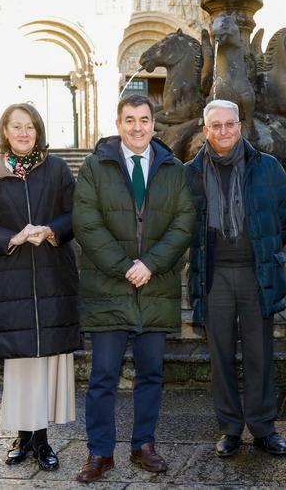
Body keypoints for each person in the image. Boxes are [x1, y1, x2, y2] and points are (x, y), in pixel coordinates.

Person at [73, 94, 195, 482]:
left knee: (151, 374)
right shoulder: (95, 167)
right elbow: (86, 223)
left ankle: (144, 445)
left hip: (154, 288)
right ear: (118, 123)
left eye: (144, 120)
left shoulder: (173, 169)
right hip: (109, 285)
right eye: (130, 120)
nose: (137, 127)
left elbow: (183, 223)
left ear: (153, 124)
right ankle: (99, 453)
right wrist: (125, 267)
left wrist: (151, 264)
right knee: (104, 375)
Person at [0, 102, 80, 471]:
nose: (23, 133)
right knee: (20, 365)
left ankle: (44, 440)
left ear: (37, 130)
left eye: (29, 126)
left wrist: (52, 231)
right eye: (16, 126)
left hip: (51, 274)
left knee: (47, 361)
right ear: (5, 130)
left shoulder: (57, 168)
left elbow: (75, 214)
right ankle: (22, 436)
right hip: (9, 277)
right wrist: (12, 237)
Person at [185, 99, 286, 458]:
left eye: (229, 124)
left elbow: (284, 219)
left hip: (254, 272)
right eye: (215, 126)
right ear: (205, 131)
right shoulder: (190, 173)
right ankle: (230, 428)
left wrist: (265, 253)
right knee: (220, 356)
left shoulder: (268, 167)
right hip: (214, 276)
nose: (224, 131)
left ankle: (264, 427)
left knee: (260, 353)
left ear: (240, 125)